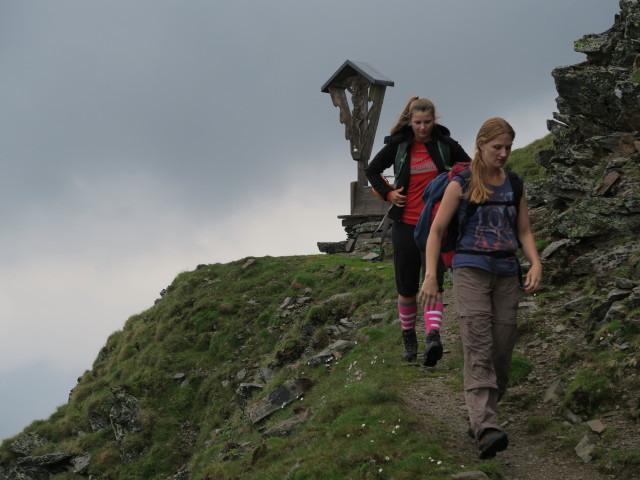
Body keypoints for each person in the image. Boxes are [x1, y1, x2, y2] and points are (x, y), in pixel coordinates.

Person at [418, 117, 542, 459]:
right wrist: (431, 275)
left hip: (506, 272)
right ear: (480, 145)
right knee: (478, 345)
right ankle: (487, 426)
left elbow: (525, 231)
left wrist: (536, 262)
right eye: (496, 147)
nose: (503, 154)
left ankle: (480, 416)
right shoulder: (461, 183)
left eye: (507, 148)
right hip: (470, 269)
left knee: (502, 352)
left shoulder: (514, 185)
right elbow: (436, 231)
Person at [365, 96, 471, 366]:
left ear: (434, 120)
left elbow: (469, 168)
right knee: (406, 286)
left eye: (427, 122)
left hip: (437, 227)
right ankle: (409, 336)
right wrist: (389, 194)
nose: (422, 127)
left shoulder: (445, 145)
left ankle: (433, 336)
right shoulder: (399, 146)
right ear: (409, 122)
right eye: (417, 123)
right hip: (404, 224)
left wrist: (452, 189)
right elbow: (372, 169)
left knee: (433, 281)